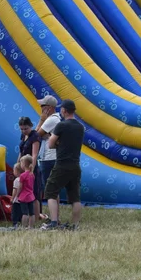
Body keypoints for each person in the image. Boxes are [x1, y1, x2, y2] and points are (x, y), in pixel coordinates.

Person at [42, 100, 85, 230]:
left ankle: (54, 222)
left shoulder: (61, 125)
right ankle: (75, 225)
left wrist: (57, 143)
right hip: (75, 164)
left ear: (64, 111)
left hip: (61, 164)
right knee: (75, 197)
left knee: (50, 191)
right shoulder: (80, 126)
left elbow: (50, 144)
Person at [36, 95, 60, 201]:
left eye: (42, 105)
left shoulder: (51, 120)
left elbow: (35, 135)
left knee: (50, 189)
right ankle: (54, 215)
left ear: (49, 108)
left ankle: (54, 216)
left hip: (49, 158)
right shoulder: (55, 119)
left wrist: (41, 120)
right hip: (50, 157)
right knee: (52, 189)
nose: (41, 108)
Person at [18, 116, 42, 221]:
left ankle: (36, 216)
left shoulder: (35, 136)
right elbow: (21, 151)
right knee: (25, 191)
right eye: (22, 129)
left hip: (31, 168)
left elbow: (34, 154)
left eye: (26, 128)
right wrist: (18, 164)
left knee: (34, 193)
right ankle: (26, 214)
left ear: (31, 126)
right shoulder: (23, 136)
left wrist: (31, 170)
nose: (24, 131)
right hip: (23, 166)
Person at [16, 155, 36, 228]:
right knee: (32, 213)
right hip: (31, 196)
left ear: (24, 164)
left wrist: (17, 194)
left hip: (23, 196)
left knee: (24, 213)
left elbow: (20, 187)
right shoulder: (32, 174)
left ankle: (23, 226)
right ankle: (31, 227)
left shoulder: (22, 175)